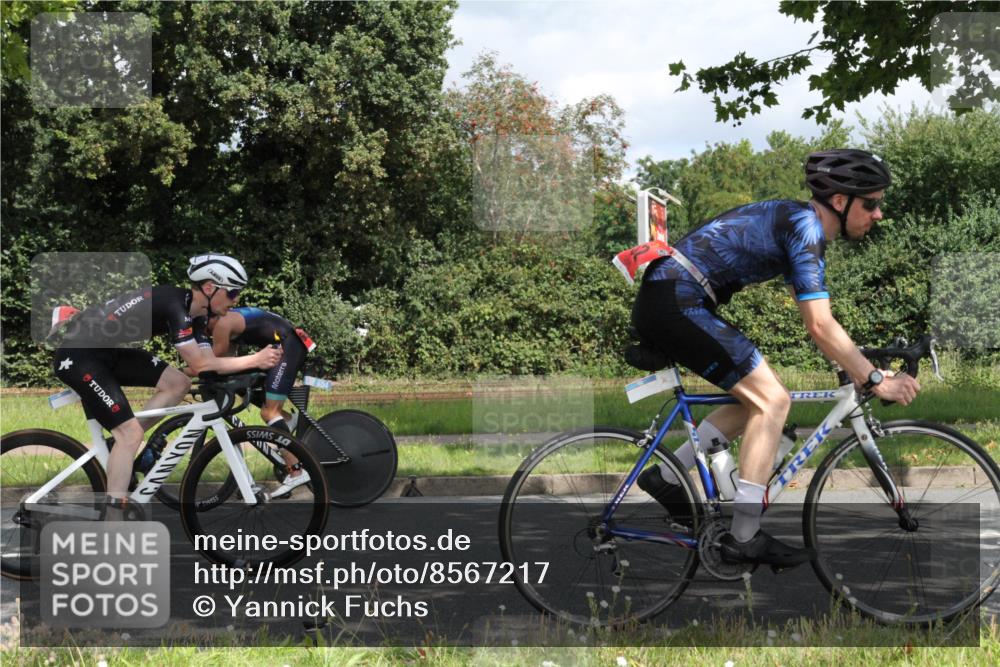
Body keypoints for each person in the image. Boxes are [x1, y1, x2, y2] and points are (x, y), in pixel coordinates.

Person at [631, 149, 921, 568]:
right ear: (840, 202)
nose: (878, 214)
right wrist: (875, 379)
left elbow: (818, 319)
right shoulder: (804, 229)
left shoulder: (796, 223)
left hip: (674, 297)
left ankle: (668, 476)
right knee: (774, 401)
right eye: (871, 203)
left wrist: (858, 365)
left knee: (758, 398)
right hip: (676, 301)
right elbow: (820, 326)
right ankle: (744, 537)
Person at [52, 253, 282, 511]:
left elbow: (205, 363)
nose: (236, 299)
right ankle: (113, 520)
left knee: (178, 383)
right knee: (130, 434)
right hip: (79, 355)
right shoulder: (176, 307)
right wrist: (257, 360)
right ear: (209, 288)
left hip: (104, 352)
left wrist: (245, 375)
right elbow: (201, 364)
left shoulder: (197, 316)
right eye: (232, 293)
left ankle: (121, 446)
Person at [204, 307, 313, 495]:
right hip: (288, 344)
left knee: (269, 412)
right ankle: (286, 420)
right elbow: (225, 365)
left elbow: (210, 361)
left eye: (204, 328)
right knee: (236, 382)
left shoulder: (222, 323)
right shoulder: (228, 321)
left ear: (208, 318)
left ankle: (297, 470)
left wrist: (183, 372)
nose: (206, 334)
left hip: (288, 347)